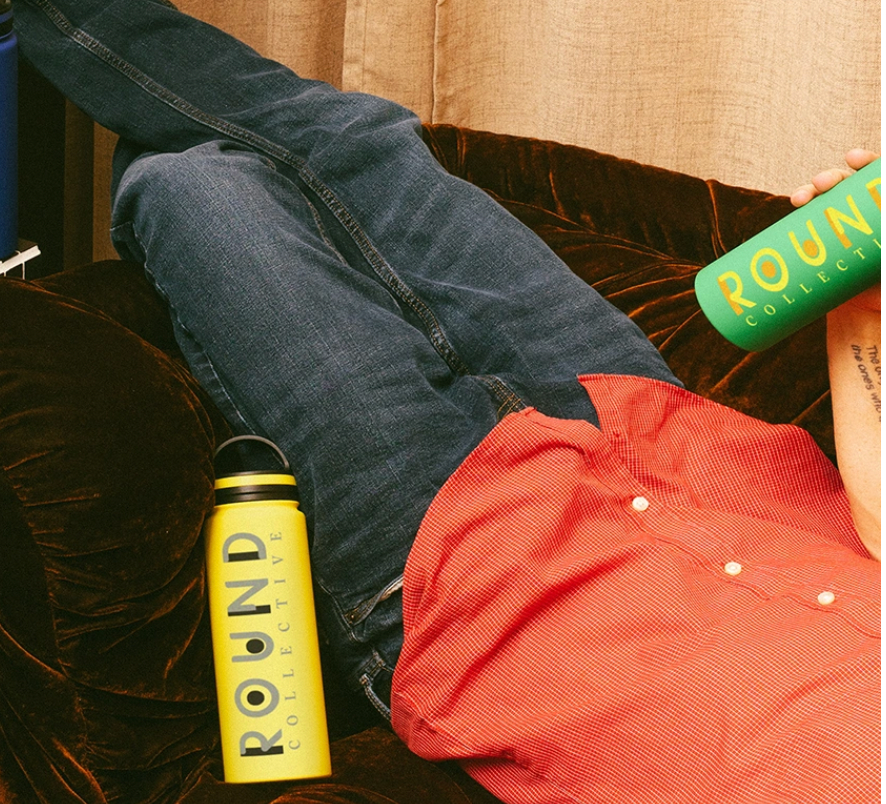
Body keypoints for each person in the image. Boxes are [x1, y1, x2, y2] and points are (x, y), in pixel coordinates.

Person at [14, 1, 880, 802]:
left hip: (469, 576)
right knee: (358, 143)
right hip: (658, 436)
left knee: (200, 188)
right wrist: (864, 305)